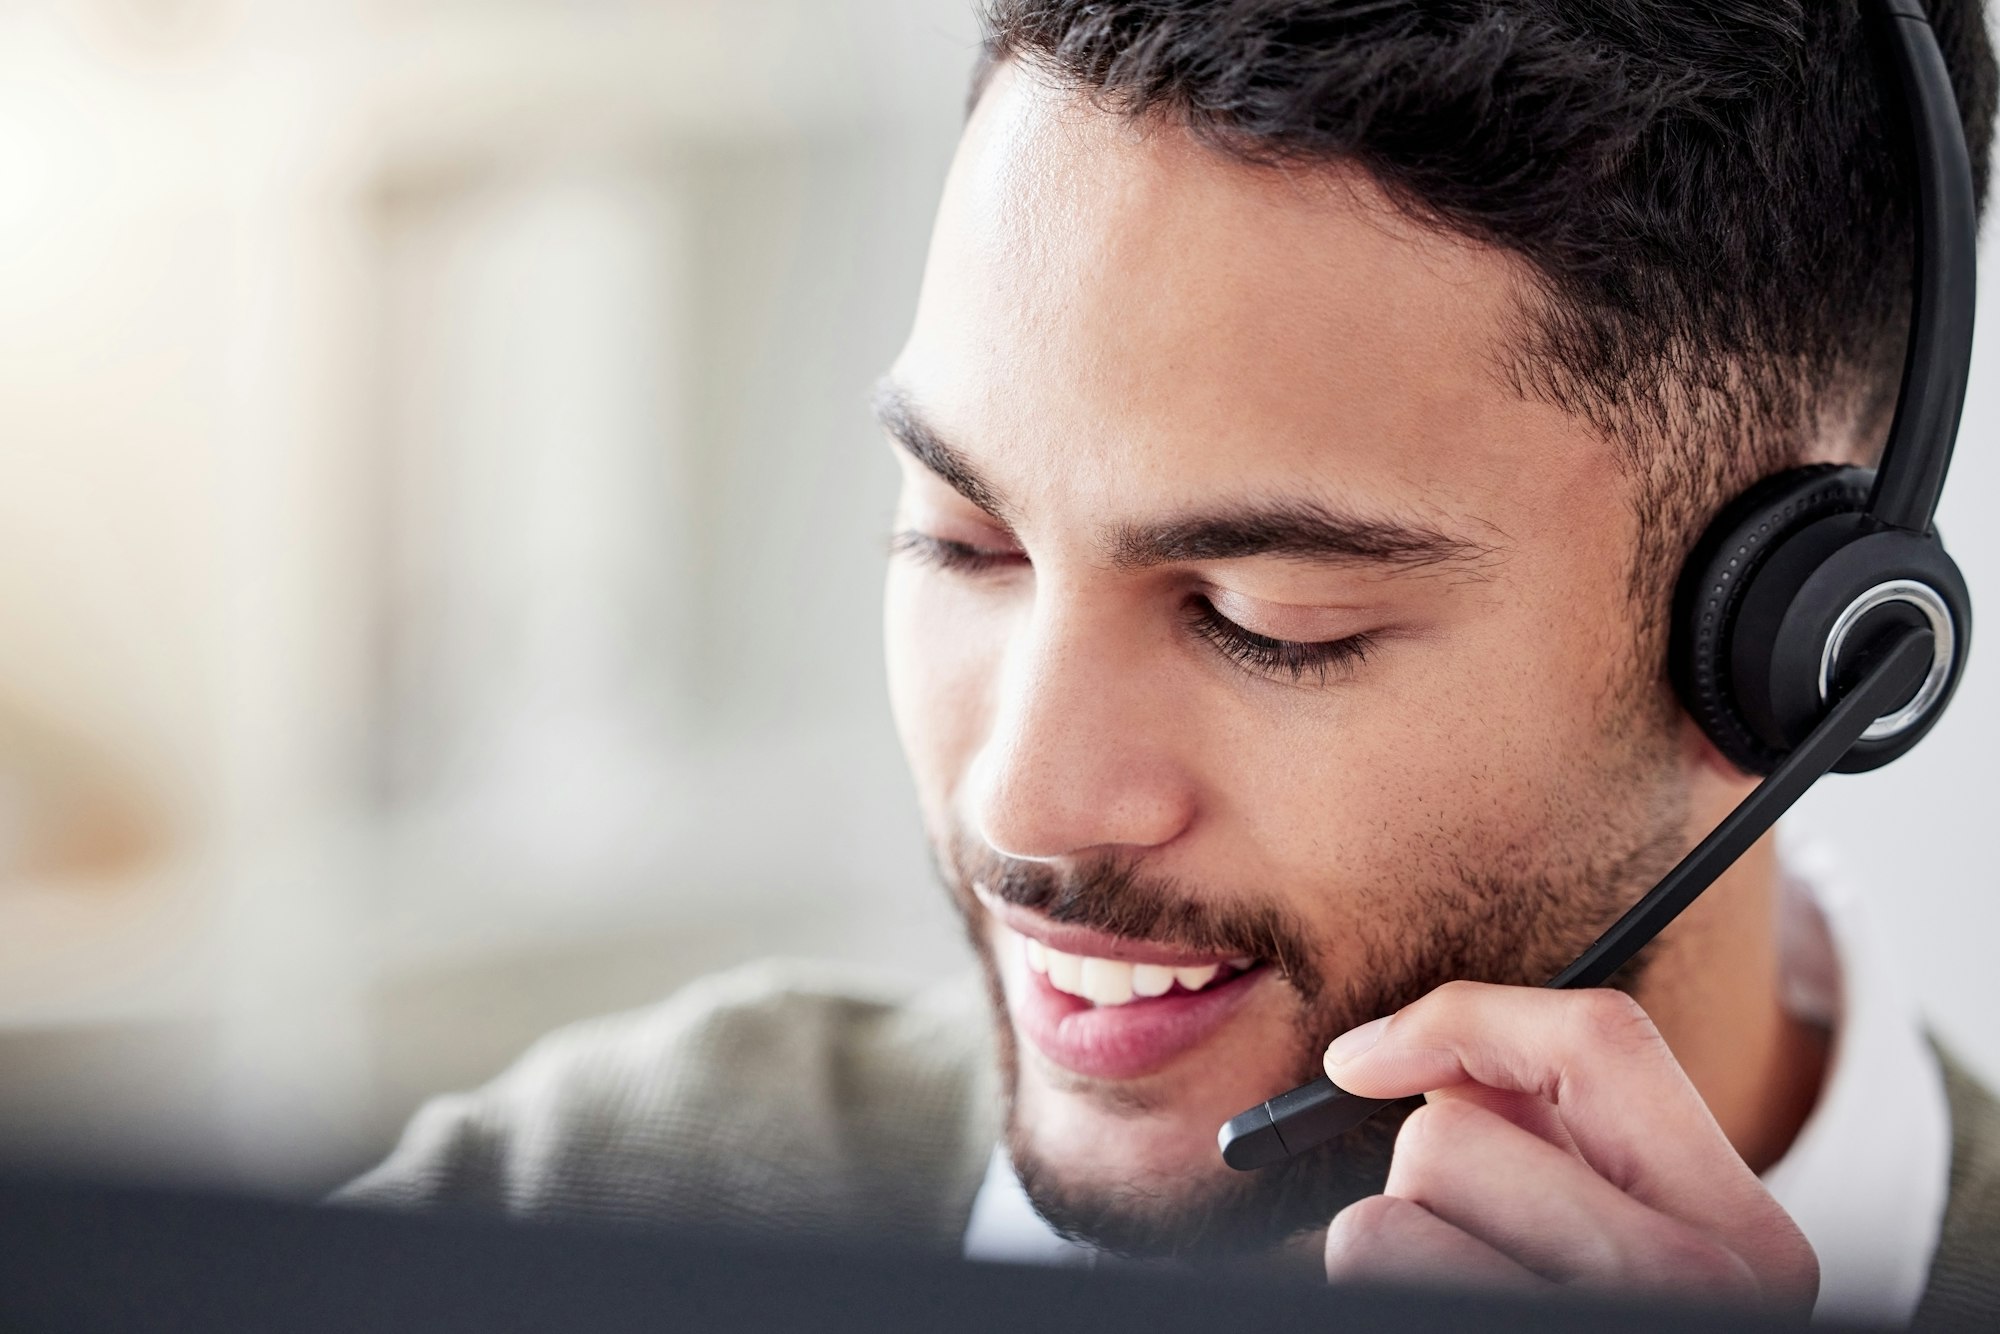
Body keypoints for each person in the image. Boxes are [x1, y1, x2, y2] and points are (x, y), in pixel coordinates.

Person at [340, 2, 2000, 1323]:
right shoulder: (591, 1199)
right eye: (961, 539)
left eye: (1264, 619)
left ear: (1798, 663)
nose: (1026, 802)